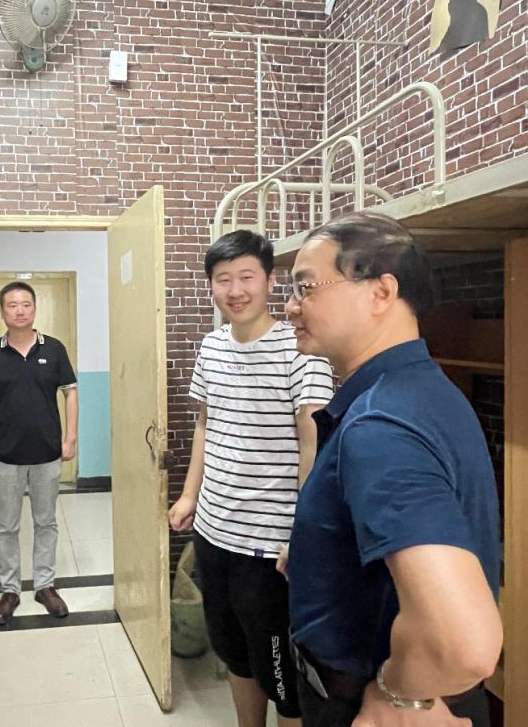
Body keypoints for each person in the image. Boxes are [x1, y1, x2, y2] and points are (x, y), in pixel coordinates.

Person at [285, 213, 502, 726]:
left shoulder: (380, 425)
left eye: (305, 288)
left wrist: (398, 696)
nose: (291, 307)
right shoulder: (422, 389)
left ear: (381, 292)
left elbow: (467, 642)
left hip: (376, 706)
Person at [169, 230, 334, 727]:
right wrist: (189, 495)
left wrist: (303, 533)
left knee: (282, 676)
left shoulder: (301, 350)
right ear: (211, 286)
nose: (235, 290)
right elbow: (205, 423)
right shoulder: (211, 346)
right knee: (234, 654)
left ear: (269, 281)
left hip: (270, 547)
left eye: (246, 277)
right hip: (214, 532)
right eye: (223, 280)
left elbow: (313, 444)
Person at [0, 281, 78, 625]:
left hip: (48, 453)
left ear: (35, 308)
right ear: (2, 311)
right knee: (6, 526)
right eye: (12, 305)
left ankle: (45, 586)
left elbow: (70, 392)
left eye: (26, 304)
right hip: (6, 455)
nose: (20, 310)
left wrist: (70, 437)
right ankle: (10, 590)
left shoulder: (54, 349)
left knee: (46, 522)